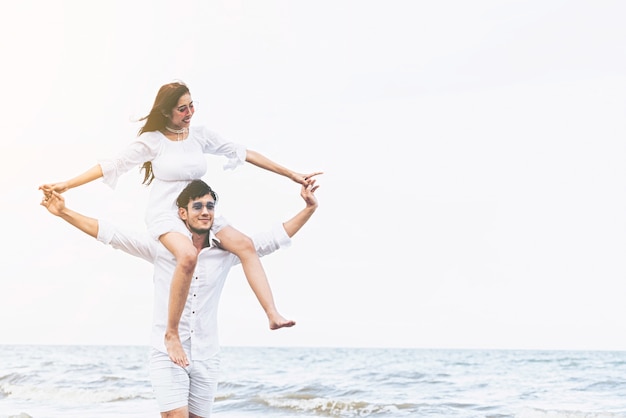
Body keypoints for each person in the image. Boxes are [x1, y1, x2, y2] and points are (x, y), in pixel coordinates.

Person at [39, 80, 322, 367]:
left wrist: (292, 174)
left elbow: (244, 153)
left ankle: (272, 315)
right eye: (182, 109)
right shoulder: (152, 141)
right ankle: (171, 334)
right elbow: (112, 166)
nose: (189, 113)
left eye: (191, 106)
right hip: (167, 215)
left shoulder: (199, 136)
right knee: (187, 255)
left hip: (200, 210)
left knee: (246, 245)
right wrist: (67, 184)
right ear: (166, 112)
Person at [41, 178, 319, 418]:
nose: (205, 212)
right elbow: (113, 234)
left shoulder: (226, 253)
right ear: (182, 213)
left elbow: (273, 239)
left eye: (210, 206)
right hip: (166, 352)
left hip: (208, 355)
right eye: (198, 206)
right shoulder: (164, 248)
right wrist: (64, 212)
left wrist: (309, 208)